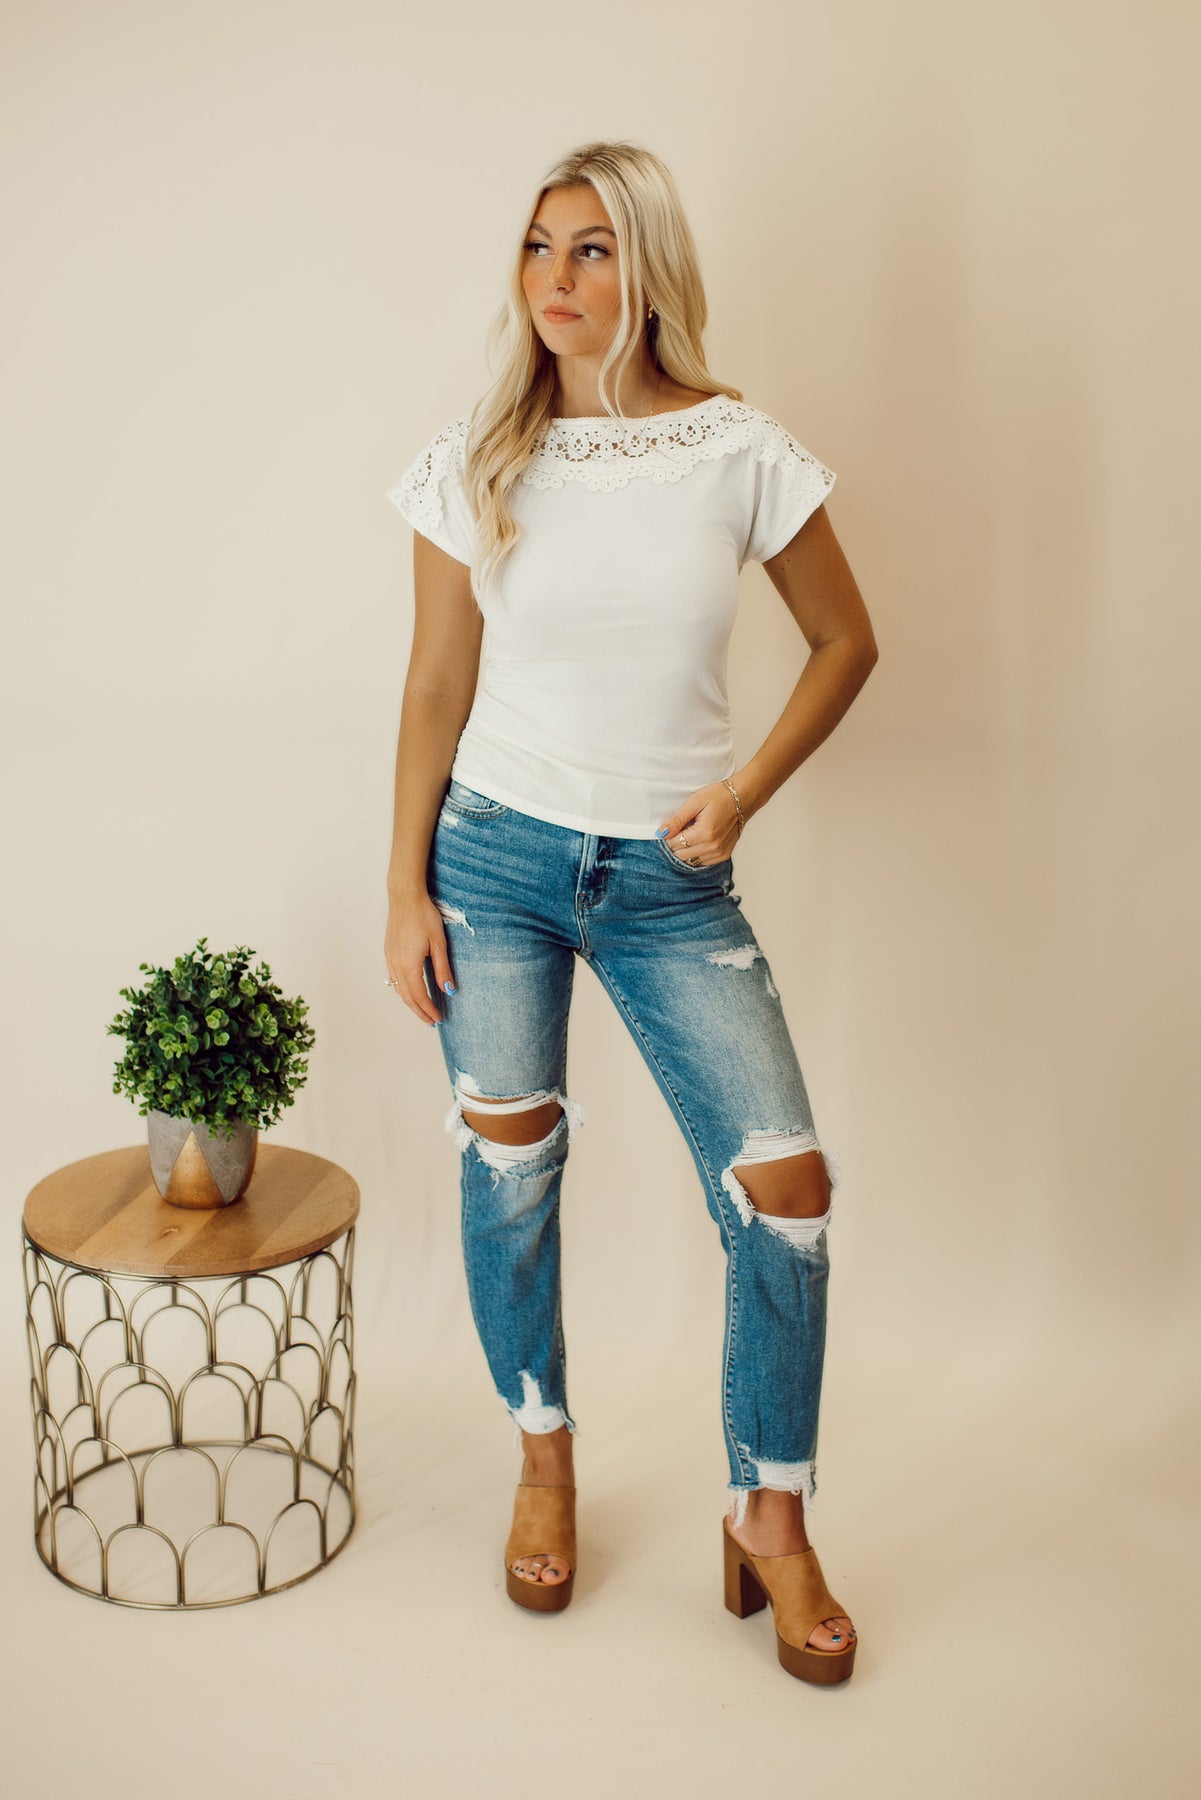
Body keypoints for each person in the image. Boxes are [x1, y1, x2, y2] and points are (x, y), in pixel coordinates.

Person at [383, 140, 878, 1687]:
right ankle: (543, 1454)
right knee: (509, 1168)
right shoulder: (477, 455)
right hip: (493, 863)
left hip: (671, 884)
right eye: (537, 246)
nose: (555, 277)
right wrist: (400, 885)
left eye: (591, 248)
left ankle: (769, 1518)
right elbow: (435, 683)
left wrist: (741, 795)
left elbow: (846, 642)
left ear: (646, 267)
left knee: (784, 1192)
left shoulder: (738, 450)